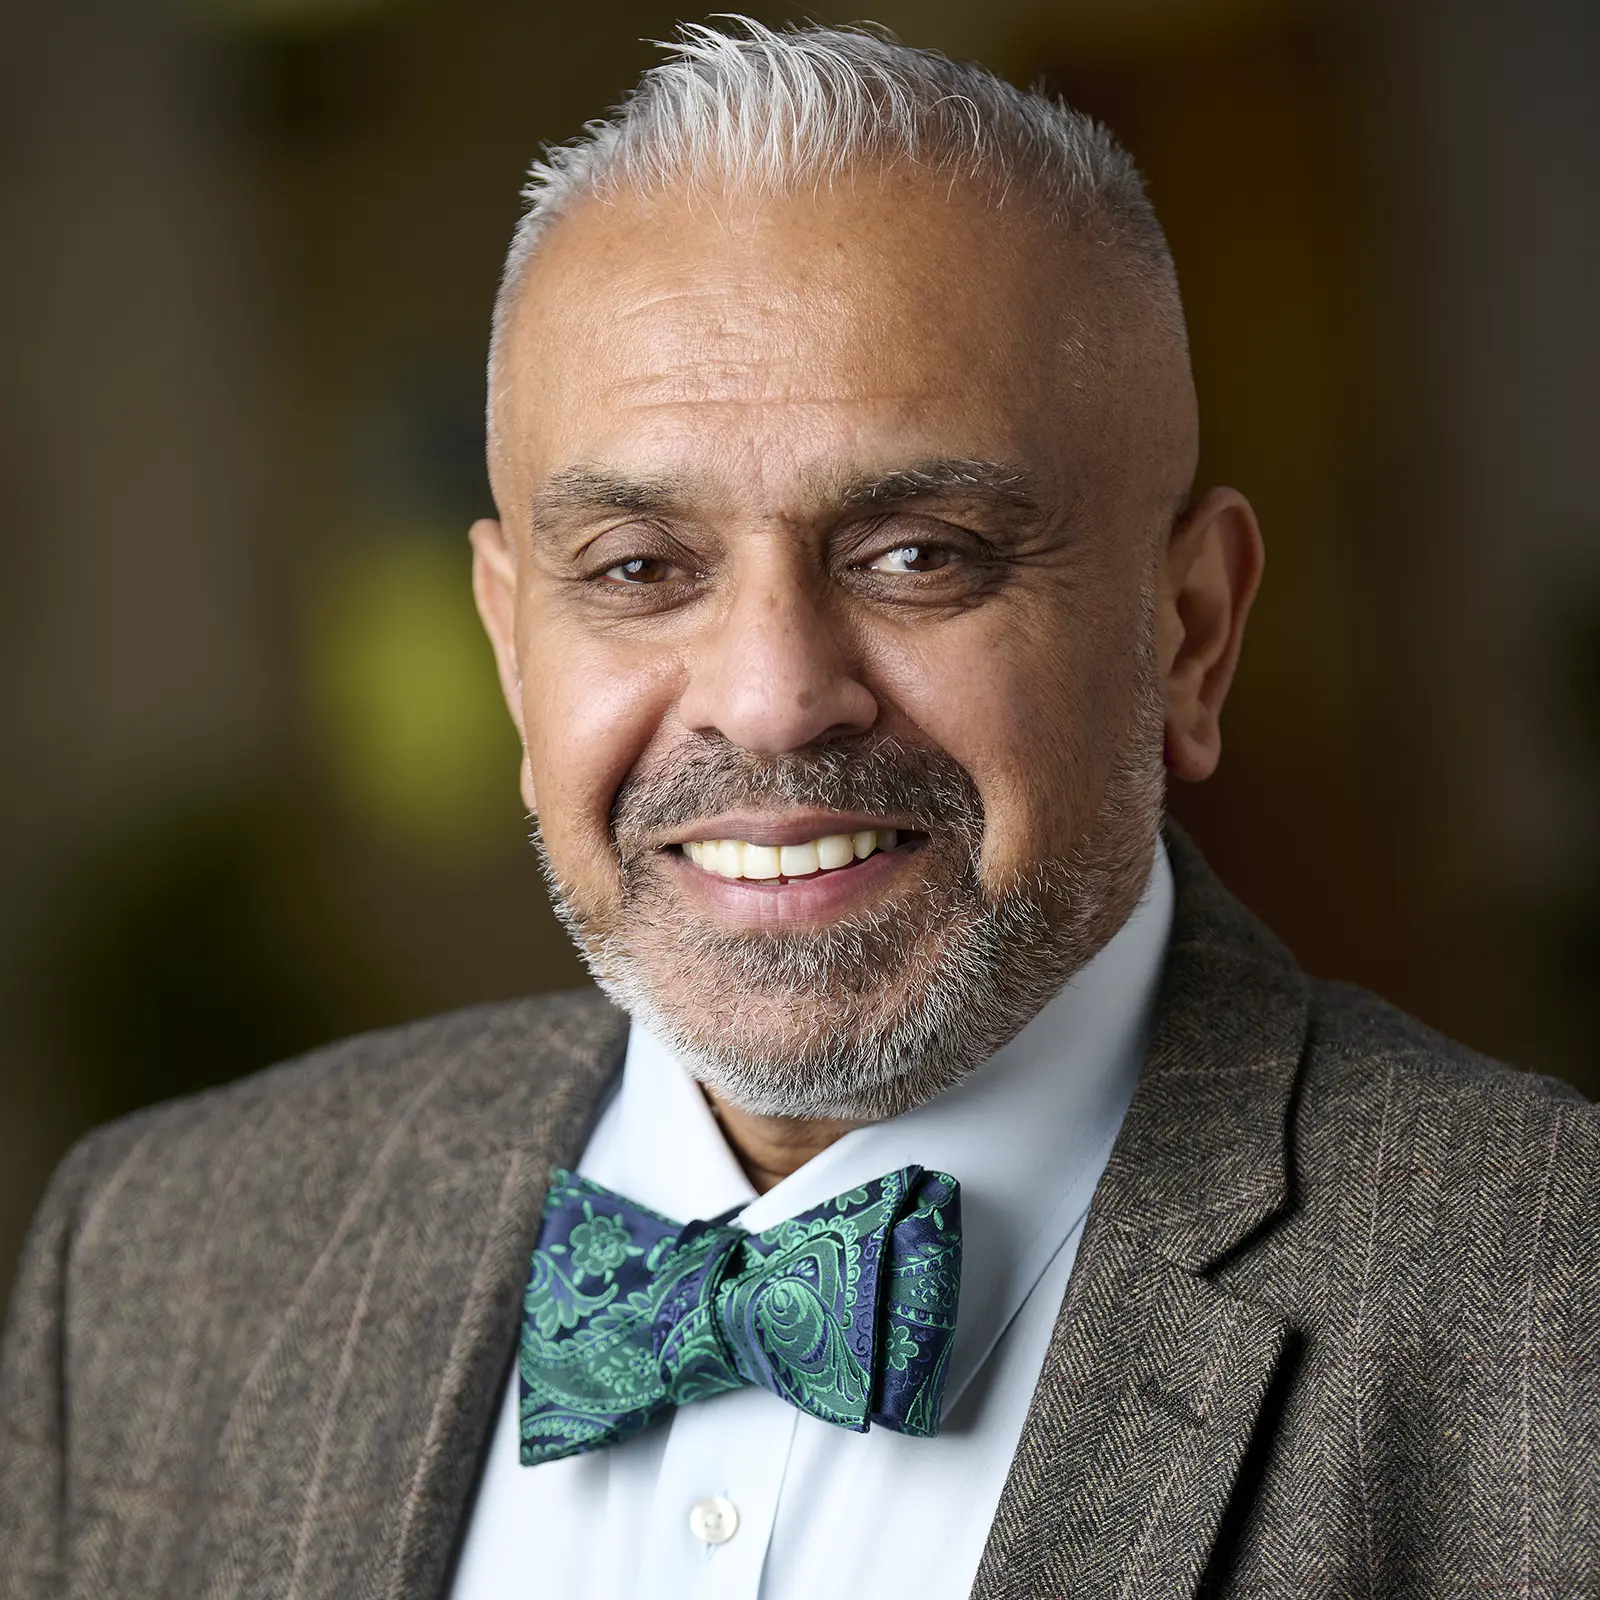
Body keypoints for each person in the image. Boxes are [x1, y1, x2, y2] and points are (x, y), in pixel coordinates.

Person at [3, 18, 1596, 1599]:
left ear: (1189, 633)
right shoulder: (157, 1262)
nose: (768, 697)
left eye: (919, 552)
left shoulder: (1556, 1313)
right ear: (510, 645)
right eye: (638, 570)